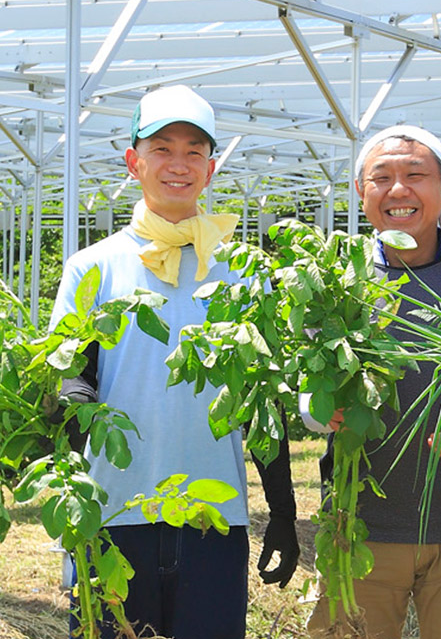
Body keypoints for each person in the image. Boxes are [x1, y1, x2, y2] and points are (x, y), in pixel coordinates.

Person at [50, 84, 300, 639]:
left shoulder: (242, 270)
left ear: (210, 169)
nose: (178, 164)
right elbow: (71, 373)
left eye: (194, 151)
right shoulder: (93, 267)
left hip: (214, 516)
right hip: (113, 514)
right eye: (162, 148)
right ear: (134, 161)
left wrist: (281, 509)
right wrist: (75, 403)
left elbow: (262, 405)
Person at [304, 125, 441, 639]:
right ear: (361, 192)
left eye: (415, 175)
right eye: (381, 177)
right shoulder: (335, 283)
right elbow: (309, 387)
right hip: (358, 530)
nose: (398, 190)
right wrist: (321, 410)